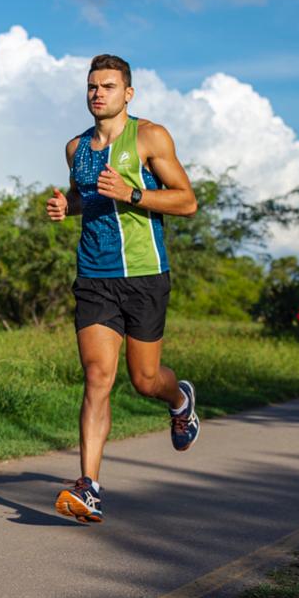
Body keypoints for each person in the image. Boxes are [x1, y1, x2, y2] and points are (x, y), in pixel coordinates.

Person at [45, 53, 200, 524]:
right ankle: (88, 486)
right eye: (92, 86)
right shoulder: (77, 148)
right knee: (97, 376)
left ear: (127, 93)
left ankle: (180, 400)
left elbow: (187, 201)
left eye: (108, 86)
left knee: (145, 379)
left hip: (145, 275)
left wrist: (133, 194)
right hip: (95, 276)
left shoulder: (151, 137)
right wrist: (65, 206)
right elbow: (85, 196)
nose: (98, 93)